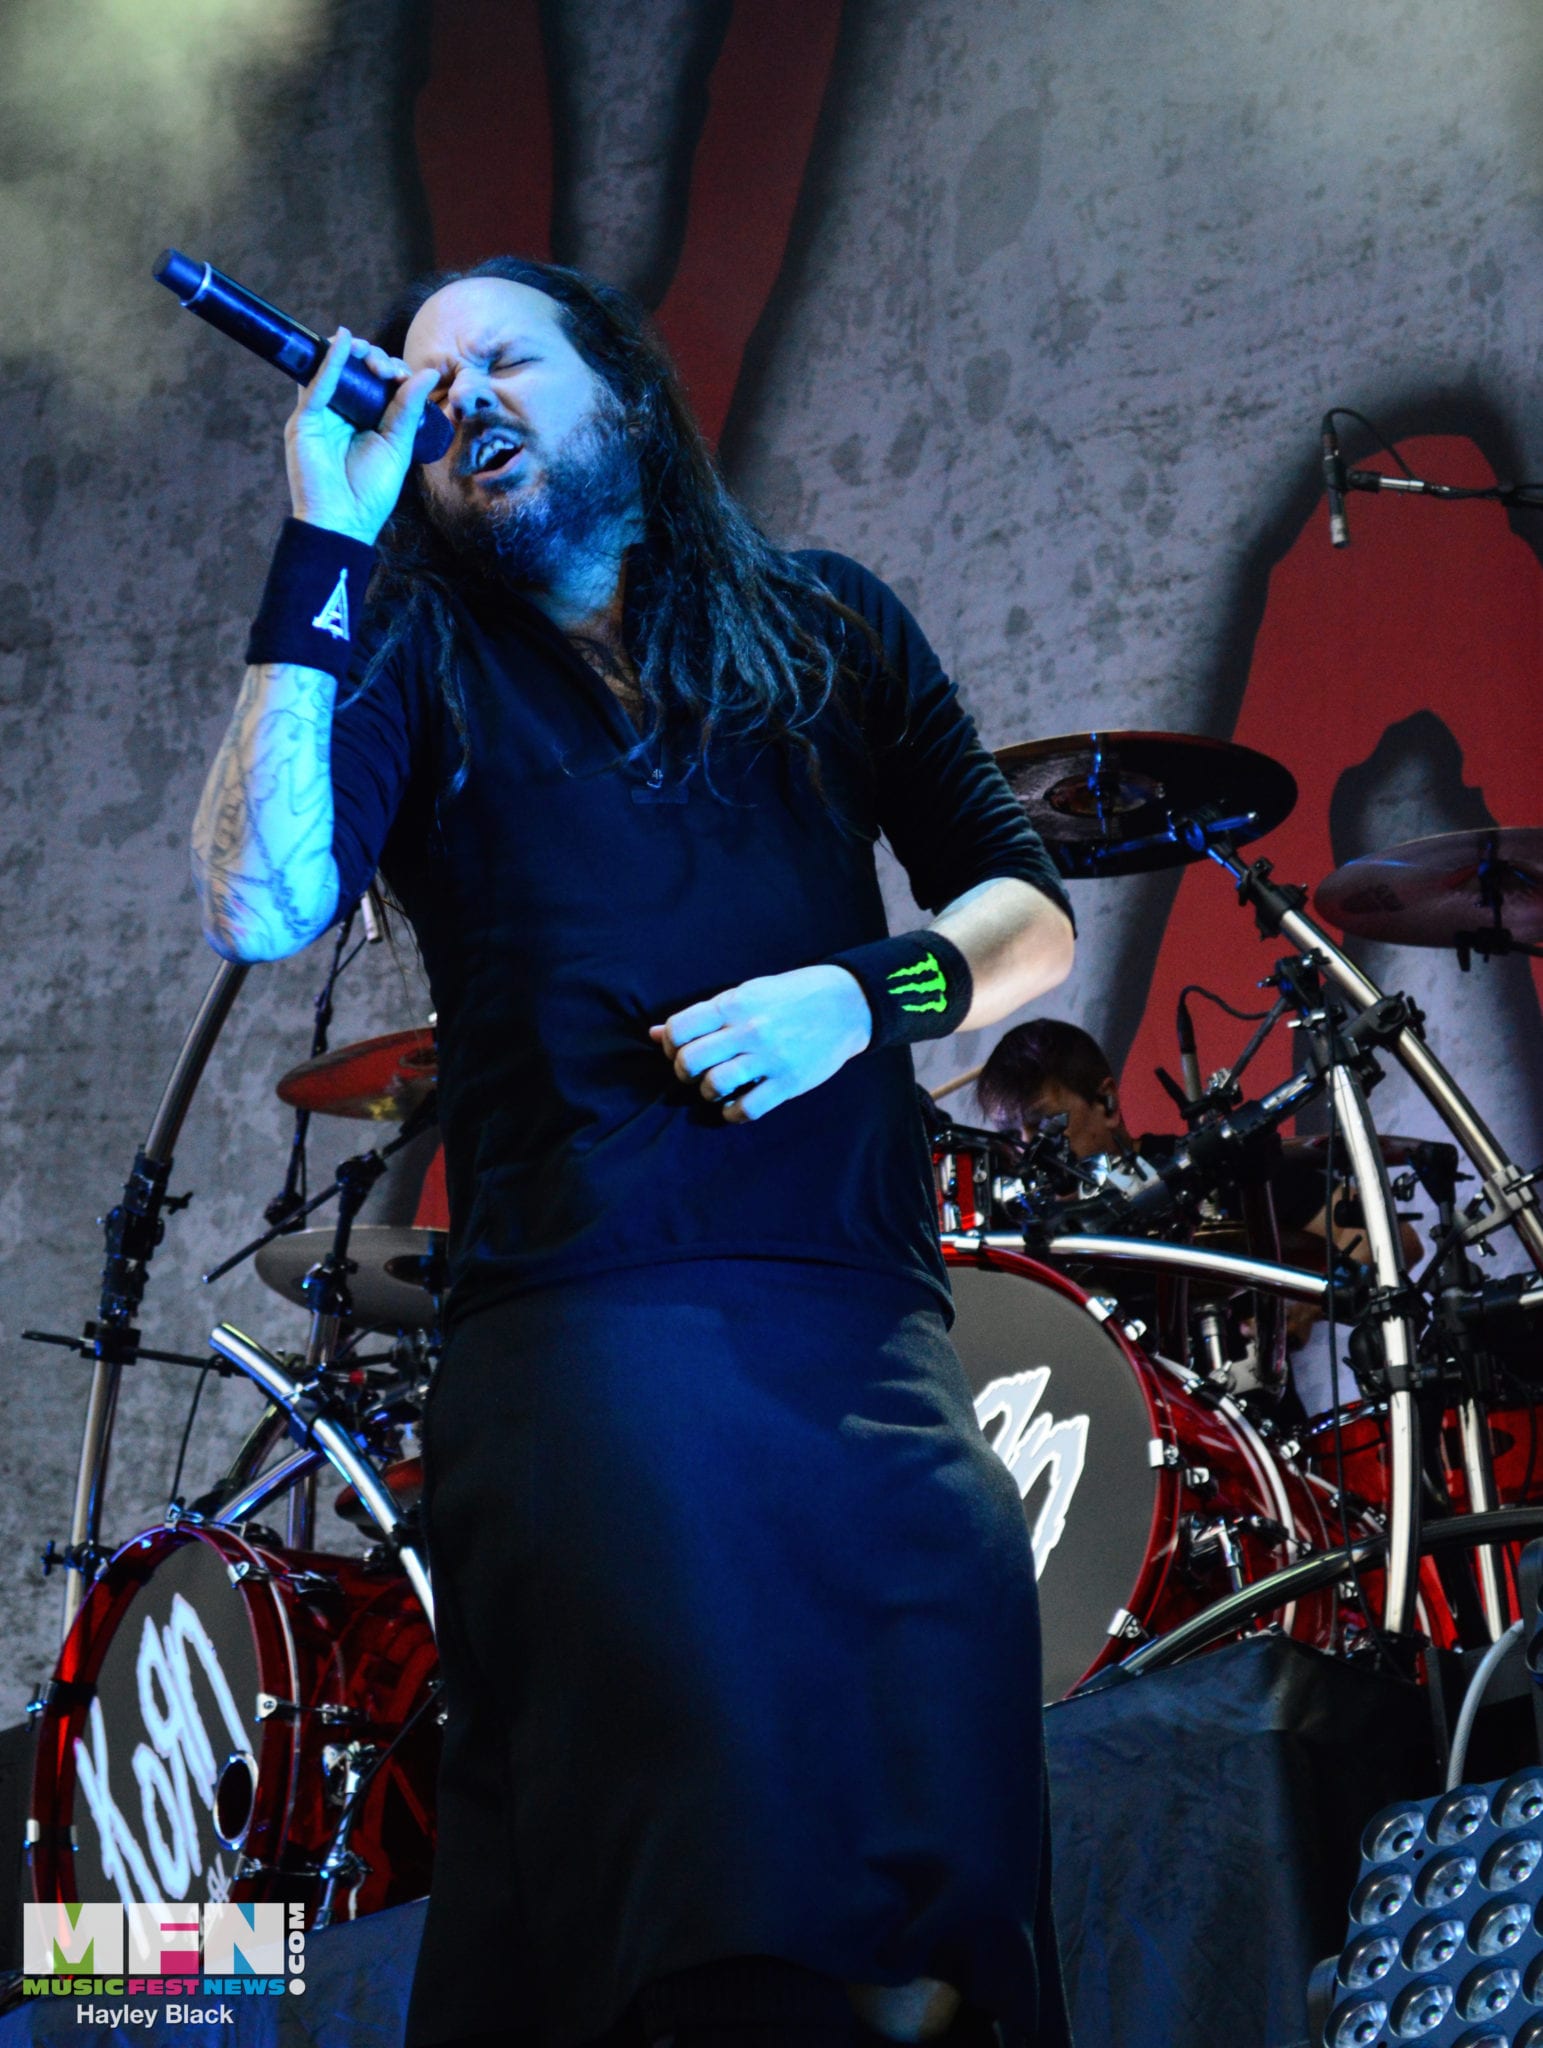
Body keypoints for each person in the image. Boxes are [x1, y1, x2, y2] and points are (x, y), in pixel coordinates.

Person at [191, 256, 1077, 2048]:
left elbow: (1028, 920)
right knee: (724, 1909)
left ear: (622, 390)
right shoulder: (419, 646)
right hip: (593, 1336)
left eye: (504, 360)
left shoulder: (826, 626)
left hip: (870, 1336)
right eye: (429, 383)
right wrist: (327, 540)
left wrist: (861, 995)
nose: (459, 399)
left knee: (958, 1891)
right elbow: (261, 900)